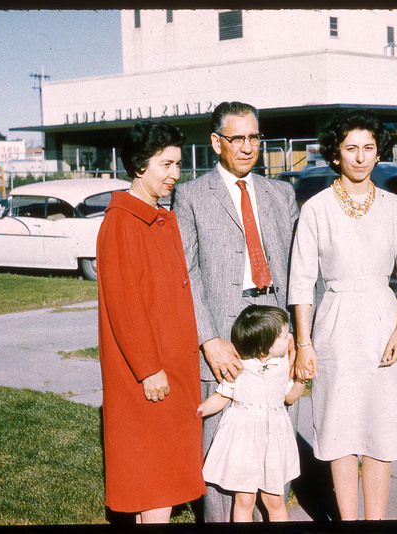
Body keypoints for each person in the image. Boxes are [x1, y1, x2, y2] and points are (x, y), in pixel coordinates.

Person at [288, 109, 397, 520]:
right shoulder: (317, 209)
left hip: (382, 323)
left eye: (369, 148)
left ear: (378, 153)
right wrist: (305, 343)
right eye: (351, 149)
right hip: (335, 327)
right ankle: (349, 524)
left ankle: (374, 523)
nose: (361, 157)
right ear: (335, 155)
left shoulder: (395, 207)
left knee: (382, 430)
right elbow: (301, 282)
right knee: (339, 428)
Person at [172, 101, 300, 522]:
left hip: (277, 324)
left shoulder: (281, 194)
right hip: (224, 329)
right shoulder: (190, 196)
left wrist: (299, 335)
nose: (247, 148)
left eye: (254, 138)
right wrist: (208, 339)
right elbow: (186, 272)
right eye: (237, 138)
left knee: (272, 444)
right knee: (222, 449)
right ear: (216, 143)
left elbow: (300, 270)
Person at [96, 121, 205, 523]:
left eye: (178, 164)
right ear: (140, 166)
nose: (175, 174)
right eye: (166, 165)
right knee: (155, 476)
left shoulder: (157, 217)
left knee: (159, 478)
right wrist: (149, 369)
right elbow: (125, 307)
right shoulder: (122, 223)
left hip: (171, 367)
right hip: (150, 372)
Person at [196, 305, 306, 522]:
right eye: (284, 336)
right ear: (264, 347)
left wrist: (302, 380)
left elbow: (290, 397)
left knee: (274, 500)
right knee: (244, 500)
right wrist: (198, 410)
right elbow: (221, 397)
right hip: (244, 440)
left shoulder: (283, 365)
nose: (290, 338)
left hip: (273, 438)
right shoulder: (240, 366)